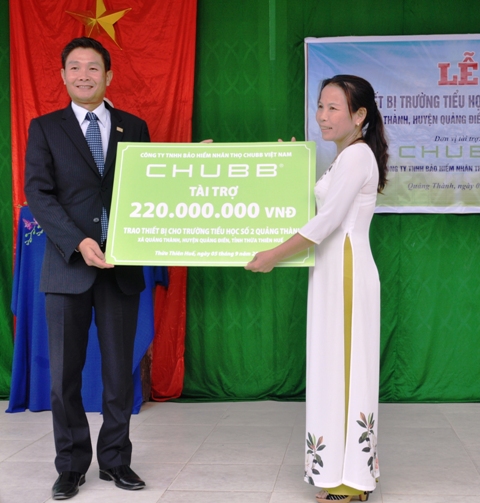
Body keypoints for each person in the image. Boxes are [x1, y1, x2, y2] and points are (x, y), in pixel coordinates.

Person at [246, 75, 388, 503]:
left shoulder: (356, 156)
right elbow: (319, 208)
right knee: (332, 369)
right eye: (320, 107)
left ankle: (352, 481)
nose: (322, 116)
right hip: (331, 271)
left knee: (345, 370)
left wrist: (273, 255)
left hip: (346, 271)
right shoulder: (343, 157)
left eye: (333, 108)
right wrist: (289, 166)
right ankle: (336, 472)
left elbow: (326, 223)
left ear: (359, 115)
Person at [24, 37, 149, 499]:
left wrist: (194, 163)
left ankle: (115, 461)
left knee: (119, 375)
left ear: (108, 75)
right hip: (67, 266)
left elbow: (152, 182)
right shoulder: (45, 128)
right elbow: (39, 193)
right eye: (74, 67)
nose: (84, 75)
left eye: (93, 67)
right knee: (64, 378)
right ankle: (71, 465)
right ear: (63, 75)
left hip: (120, 266)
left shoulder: (135, 127)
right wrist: (77, 241)